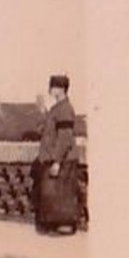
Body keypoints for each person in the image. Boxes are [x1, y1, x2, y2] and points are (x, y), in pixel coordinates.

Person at [30, 74, 81, 233]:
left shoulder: (65, 109)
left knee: (60, 193)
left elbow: (65, 138)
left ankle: (63, 226)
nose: (50, 90)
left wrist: (57, 161)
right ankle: (55, 225)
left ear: (61, 89)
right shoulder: (57, 108)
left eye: (53, 87)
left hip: (62, 160)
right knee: (52, 193)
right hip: (51, 158)